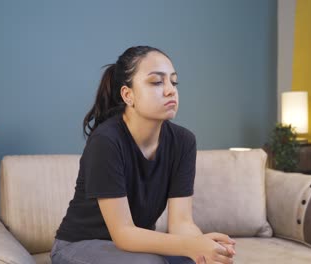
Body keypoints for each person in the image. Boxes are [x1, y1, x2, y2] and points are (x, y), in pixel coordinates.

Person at [51, 46, 236, 264]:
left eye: (173, 82)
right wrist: (192, 246)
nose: (170, 90)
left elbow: (181, 223)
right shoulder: (106, 140)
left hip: (137, 247)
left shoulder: (184, 141)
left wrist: (206, 249)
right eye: (157, 82)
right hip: (79, 246)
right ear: (128, 95)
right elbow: (123, 233)